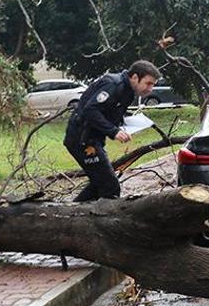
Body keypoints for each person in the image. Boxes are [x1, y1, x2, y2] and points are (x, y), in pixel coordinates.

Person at [64, 60, 160, 201]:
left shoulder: (128, 91)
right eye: (148, 83)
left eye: (153, 85)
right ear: (134, 77)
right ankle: (101, 218)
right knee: (110, 186)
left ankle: (71, 215)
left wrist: (127, 123)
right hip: (82, 140)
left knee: (99, 183)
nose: (150, 89)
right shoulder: (113, 85)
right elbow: (90, 110)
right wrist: (113, 131)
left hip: (93, 138)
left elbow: (110, 112)